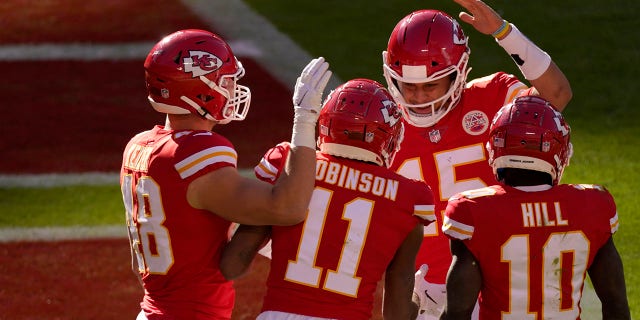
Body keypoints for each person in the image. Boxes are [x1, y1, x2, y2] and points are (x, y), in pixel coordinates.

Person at [120, 29, 332, 319]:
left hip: (152, 310)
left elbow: (143, 256)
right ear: (200, 89)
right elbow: (287, 208)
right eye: (226, 81)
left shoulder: (138, 147)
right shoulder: (196, 151)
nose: (232, 89)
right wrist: (305, 120)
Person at [381, 1, 573, 317]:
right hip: (419, 298)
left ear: (459, 70)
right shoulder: (382, 124)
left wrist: (504, 33)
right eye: (408, 86)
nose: (417, 97)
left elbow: (557, 95)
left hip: (497, 286)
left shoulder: (492, 98)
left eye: (430, 85)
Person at [220, 78, 436, 320]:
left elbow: (232, 265)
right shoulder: (410, 197)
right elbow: (398, 315)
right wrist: (418, 300)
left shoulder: (287, 165)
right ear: (388, 137)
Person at [439, 96, 630, 319]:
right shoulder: (593, 204)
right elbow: (615, 302)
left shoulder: (473, 210)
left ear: (496, 147)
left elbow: (458, 311)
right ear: (558, 152)